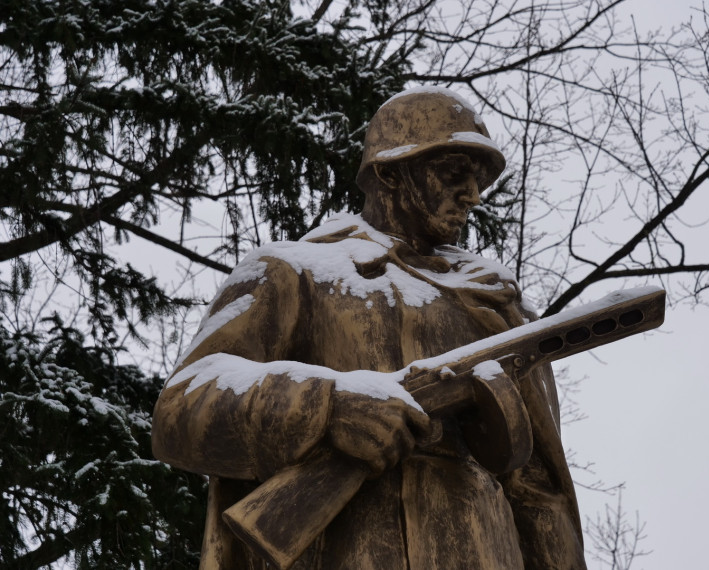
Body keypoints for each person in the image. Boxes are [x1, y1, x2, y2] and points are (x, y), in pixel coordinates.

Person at [152, 87, 587, 569]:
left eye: (479, 179)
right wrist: (328, 406)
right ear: (389, 172)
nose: (473, 194)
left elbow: (540, 491)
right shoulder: (294, 270)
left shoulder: (498, 304)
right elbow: (182, 406)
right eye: (453, 173)